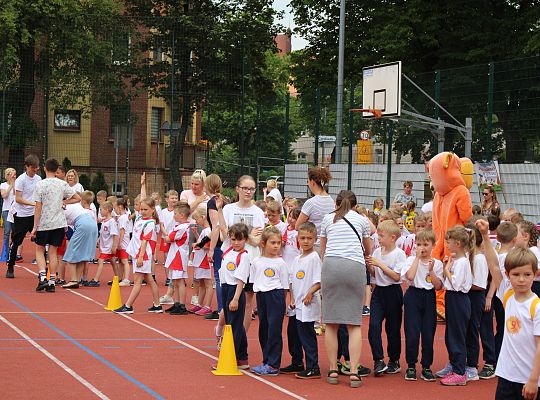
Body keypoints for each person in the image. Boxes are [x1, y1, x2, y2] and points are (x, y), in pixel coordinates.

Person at [319, 190, 372, 388]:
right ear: (355, 205)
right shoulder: (361, 220)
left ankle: (333, 369)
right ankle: (354, 372)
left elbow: (322, 250)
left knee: (331, 322)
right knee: (353, 324)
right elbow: (367, 248)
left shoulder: (327, 219)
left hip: (331, 265)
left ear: (336, 203)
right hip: (354, 266)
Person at [488, 245, 540, 400]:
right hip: (506, 376)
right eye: (516, 274)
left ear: (535, 275)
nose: (521, 279)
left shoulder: (536, 307)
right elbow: (493, 265)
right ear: (507, 275)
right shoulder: (507, 295)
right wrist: (484, 236)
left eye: (527, 274)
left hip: (529, 379)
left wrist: (533, 379)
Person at [216, 175, 265, 335]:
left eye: (251, 189)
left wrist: (241, 234)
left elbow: (258, 241)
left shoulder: (257, 212)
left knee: (248, 301)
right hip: (231, 260)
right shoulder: (229, 209)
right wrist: (248, 234)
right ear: (238, 188)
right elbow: (225, 236)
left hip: (251, 260)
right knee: (230, 300)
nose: (248, 192)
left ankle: (240, 338)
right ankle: (221, 328)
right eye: (245, 188)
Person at [32, 158, 80, 292]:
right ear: (56, 169)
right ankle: (52, 281)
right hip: (59, 223)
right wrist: (64, 202)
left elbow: (38, 207)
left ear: (45, 168)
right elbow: (78, 198)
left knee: (40, 249)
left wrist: (35, 226)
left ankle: (43, 278)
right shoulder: (62, 184)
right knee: (53, 251)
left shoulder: (40, 185)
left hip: (44, 223)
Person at [401, 229, 443, 381]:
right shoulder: (410, 260)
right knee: (411, 332)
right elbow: (410, 276)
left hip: (429, 296)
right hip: (413, 295)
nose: (422, 248)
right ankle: (411, 365)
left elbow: (438, 286)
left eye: (426, 244)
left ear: (433, 245)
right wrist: (417, 259)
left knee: (428, 333)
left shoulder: (436, 263)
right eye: (419, 244)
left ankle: (426, 366)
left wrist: (431, 271)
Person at [367, 220, 407, 376]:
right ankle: (378, 360)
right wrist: (370, 266)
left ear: (392, 238)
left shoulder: (399, 254)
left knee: (393, 329)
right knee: (374, 326)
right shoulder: (377, 252)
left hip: (393, 293)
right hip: (379, 293)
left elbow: (396, 277)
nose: (378, 237)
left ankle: (394, 360)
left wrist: (379, 264)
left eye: (381, 235)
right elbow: (374, 274)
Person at [282, 221, 322, 379]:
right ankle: (297, 361)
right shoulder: (297, 258)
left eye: (309, 238)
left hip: (307, 304)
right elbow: (292, 280)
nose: (305, 241)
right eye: (303, 238)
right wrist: (292, 298)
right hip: (296, 305)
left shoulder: (314, 258)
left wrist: (309, 294)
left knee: (307, 334)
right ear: (297, 238)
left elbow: (318, 281)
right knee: (293, 333)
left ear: (315, 239)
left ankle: (313, 366)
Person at [437, 226, 474, 386]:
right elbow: (448, 283)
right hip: (452, 298)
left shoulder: (463, 262)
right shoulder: (457, 260)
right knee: (451, 334)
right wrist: (448, 267)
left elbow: (456, 283)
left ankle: (460, 371)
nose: (446, 244)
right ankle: (454, 364)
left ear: (458, 243)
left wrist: (446, 269)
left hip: (459, 299)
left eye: (448, 241)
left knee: (457, 335)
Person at [249, 226, 288, 377]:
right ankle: (266, 360)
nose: (276, 246)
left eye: (278, 243)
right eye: (273, 243)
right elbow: (254, 283)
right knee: (264, 329)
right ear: (263, 244)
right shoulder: (257, 261)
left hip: (275, 296)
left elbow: (284, 286)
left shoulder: (281, 263)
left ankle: (273, 364)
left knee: (274, 330)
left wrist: (282, 304)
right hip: (262, 296)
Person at [114, 196, 162, 314]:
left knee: (137, 280)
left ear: (152, 210)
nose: (143, 211)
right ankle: (157, 305)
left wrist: (140, 257)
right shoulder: (140, 219)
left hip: (143, 255)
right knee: (149, 279)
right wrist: (142, 184)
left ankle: (128, 305)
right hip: (136, 254)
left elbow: (145, 241)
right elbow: (143, 197)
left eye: (146, 209)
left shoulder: (150, 223)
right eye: (142, 209)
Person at [213, 223, 251, 369]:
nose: (236, 243)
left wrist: (235, 298)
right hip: (226, 289)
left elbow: (241, 279)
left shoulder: (244, 256)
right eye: (234, 239)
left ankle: (230, 357)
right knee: (234, 324)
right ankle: (242, 358)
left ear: (246, 240)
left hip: (235, 290)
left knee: (233, 327)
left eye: (240, 240)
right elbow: (222, 227)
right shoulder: (228, 250)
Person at [6, 154, 42, 278]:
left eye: (37, 167)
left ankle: (43, 271)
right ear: (27, 167)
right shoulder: (21, 180)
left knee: (41, 241)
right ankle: (10, 266)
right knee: (16, 241)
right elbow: (18, 198)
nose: (35, 170)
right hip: (21, 215)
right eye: (33, 168)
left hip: (33, 215)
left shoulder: (38, 179)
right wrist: (33, 203)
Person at [464, 223, 490, 382]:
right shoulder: (465, 256)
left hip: (475, 297)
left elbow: (480, 284)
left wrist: (458, 283)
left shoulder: (479, 258)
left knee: (472, 330)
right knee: (463, 330)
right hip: (466, 295)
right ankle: (459, 361)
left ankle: (472, 365)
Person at [61, 200, 99, 288]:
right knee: (82, 255)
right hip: (92, 224)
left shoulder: (62, 208)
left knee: (70, 254)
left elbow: (61, 226)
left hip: (83, 224)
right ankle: (77, 279)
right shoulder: (75, 205)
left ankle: (74, 280)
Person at [295, 167, 334, 252]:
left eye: (308, 181)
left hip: (312, 245)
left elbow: (298, 226)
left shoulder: (311, 203)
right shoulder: (331, 201)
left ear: (312, 182)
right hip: (327, 245)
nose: (308, 184)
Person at [163, 202, 191, 315]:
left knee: (179, 282)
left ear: (182, 215)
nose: (174, 215)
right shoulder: (180, 226)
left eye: (175, 213)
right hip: (175, 255)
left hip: (179, 256)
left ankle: (182, 305)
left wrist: (167, 236)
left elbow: (169, 238)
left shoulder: (183, 227)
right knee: (175, 281)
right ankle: (177, 303)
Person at [205, 173, 224, 321]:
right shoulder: (226, 200)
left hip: (219, 244)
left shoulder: (213, 202)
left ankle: (221, 310)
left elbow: (216, 226)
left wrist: (211, 249)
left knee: (218, 278)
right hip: (227, 242)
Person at [87, 201, 118, 287]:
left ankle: (96, 279)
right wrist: (98, 240)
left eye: (101, 210)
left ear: (107, 210)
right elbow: (102, 233)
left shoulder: (111, 222)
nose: (100, 212)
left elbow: (115, 235)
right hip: (104, 245)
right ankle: (117, 277)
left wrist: (114, 246)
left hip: (109, 246)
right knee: (112, 261)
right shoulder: (104, 221)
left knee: (101, 261)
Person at [190, 207, 213, 316]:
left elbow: (206, 245)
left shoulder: (209, 231)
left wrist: (197, 245)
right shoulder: (205, 231)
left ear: (203, 217)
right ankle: (200, 304)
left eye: (197, 219)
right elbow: (201, 242)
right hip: (199, 260)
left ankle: (207, 306)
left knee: (208, 284)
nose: (196, 222)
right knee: (202, 283)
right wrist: (196, 235)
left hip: (204, 260)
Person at [515, 220, 540, 296]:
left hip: (535, 285)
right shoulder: (519, 251)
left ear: (525, 236)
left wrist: (525, 273)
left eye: (515, 233)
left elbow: (538, 269)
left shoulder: (533, 250)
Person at [115, 197, 132, 286]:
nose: (115, 210)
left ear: (120, 207)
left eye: (115, 208)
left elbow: (122, 230)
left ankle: (126, 279)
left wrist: (119, 242)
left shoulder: (123, 218)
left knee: (124, 261)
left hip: (124, 243)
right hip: (123, 242)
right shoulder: (122, 217)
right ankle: (121, 278)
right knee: (121, 261)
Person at [0, 168, 16, 261]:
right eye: (13, 175)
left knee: (15, 232)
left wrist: (14, 186)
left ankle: (12, 251)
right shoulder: (3, 185)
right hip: (6, 210)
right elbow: (4, 196)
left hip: (15, 211)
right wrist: (11, 186)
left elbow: (17, 195)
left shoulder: (17, 184)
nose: (14, 177)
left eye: (15, 175)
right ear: (8, 175)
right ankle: (5, 252)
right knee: (7, 231)